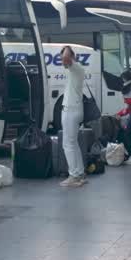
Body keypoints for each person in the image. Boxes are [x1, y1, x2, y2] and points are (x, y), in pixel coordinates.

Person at [58, 46, 89, 188]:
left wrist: (67, 49)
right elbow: (65, 59)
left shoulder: (75, 68)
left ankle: (74, 176)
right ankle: (80, 173)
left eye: (63, 57)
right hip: (75, 109)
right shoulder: (76, 70)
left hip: (71, 110)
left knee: (68, 144)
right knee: (73, 143)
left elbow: (66, 58)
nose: (61, 61)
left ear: (71, 57)